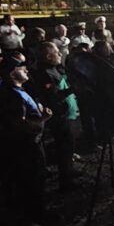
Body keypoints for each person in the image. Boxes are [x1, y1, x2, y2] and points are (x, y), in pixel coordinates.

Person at [0, 56, 52, 222]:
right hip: (28, 146)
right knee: (34, 178)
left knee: (27, 179)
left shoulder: (12, 90)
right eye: (21, 68)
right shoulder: (13, 95)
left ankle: (29, 211)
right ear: (12, 74)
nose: (26, 70)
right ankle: (38, 215)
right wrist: (43, 119)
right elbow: (18, 124)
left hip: (23, 145)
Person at [31, 42, 78, 191]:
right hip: (58, 116)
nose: (59, 54)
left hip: (65, 113)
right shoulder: (45, 74)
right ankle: (66, 180)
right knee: (64, 147)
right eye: (56, 52)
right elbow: (53, 97)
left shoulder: (54, 68)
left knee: (69, 144)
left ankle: (69, 169)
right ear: (48, 56)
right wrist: (72, 89)